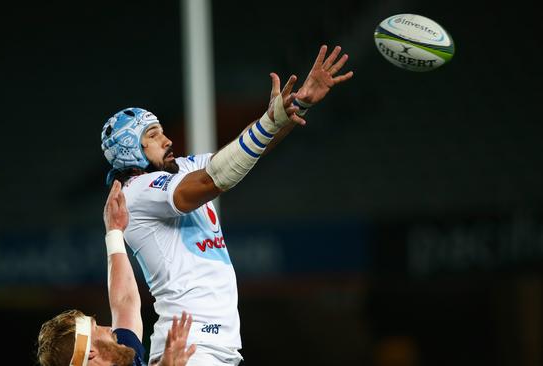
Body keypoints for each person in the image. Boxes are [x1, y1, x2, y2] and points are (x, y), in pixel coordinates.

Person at [100, 45, 354, 365]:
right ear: (129, 150)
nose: (167, 140)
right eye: (153, 135)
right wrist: (269, 121)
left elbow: (237, 155)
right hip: (188, 348)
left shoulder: (180, 169)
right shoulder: (137, 192)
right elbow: (214, 179)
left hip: (211, 346)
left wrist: (295, 106)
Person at [36, 181, 197, 366]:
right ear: (90, 353)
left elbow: (124, 302)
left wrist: (114, 231)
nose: (109, 328)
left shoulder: (123, 355)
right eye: (97, 328)